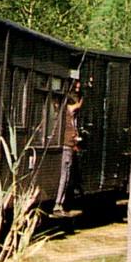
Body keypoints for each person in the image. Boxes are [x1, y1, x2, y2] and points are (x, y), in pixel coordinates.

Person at [53, 81, 84, 215]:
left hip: (69, 146)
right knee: (64, 176)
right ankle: (58, 204)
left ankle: (60, 203)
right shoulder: (67, 112)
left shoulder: (67, 114)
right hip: (67, 146)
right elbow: (77, 106)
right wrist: (84, 96)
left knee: (66, 176)